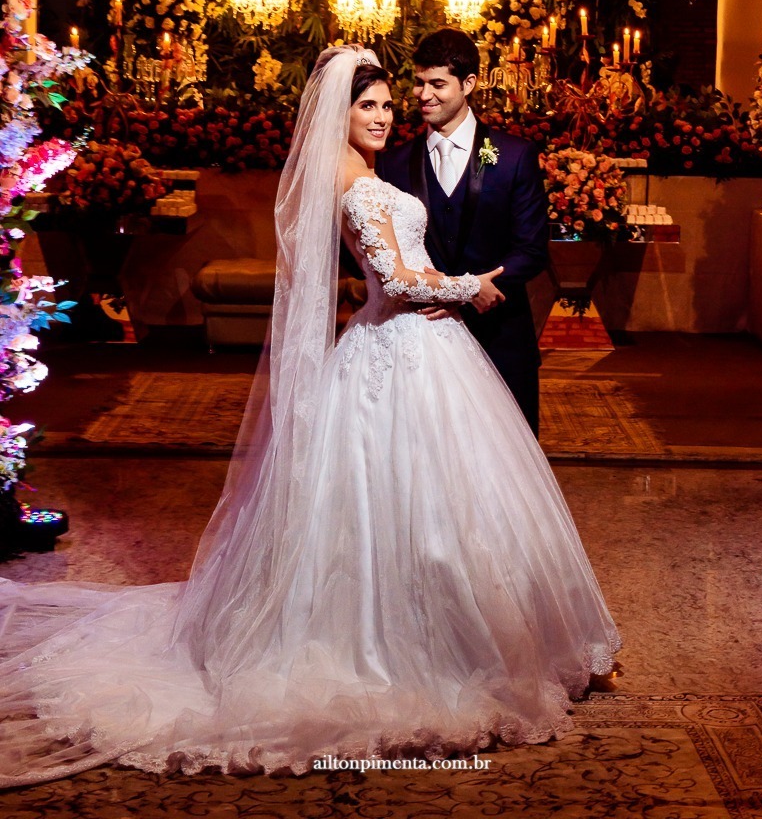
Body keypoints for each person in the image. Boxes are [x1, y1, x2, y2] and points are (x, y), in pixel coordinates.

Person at [0, 46, 619, 786]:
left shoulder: (368, 172)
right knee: (405, 504)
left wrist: (451, 286)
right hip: (401, 346)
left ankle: (488, 636)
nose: (385, 116)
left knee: (451, 498)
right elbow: (393, 281)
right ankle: (427, 649)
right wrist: (466, 287)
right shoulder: (356, 183)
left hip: (417, 346)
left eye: (389, 104)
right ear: (337, 112)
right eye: (369, 105)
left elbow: (410, 266)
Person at [379, 28, 547, 436]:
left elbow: (531, 249)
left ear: (468, 84)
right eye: (419, 82)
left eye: (437, 84)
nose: (424, 95)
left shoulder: (515, 156)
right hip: (422, 341)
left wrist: (469, 292)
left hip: (501, 337)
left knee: (508, 456)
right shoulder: (392, 163)